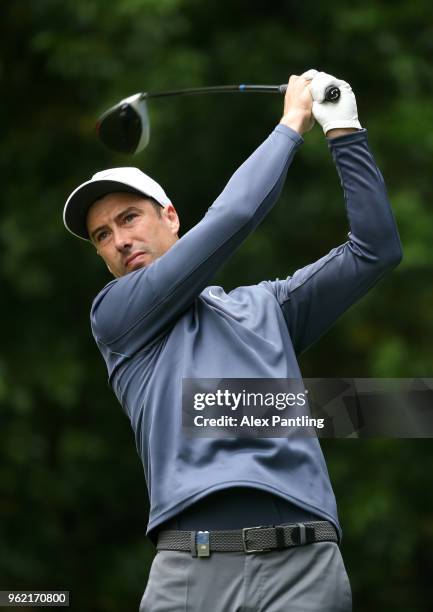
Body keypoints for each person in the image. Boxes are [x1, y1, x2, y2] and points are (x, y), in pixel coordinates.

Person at [63, 70, 402, 611]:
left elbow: (374, 250)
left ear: (171, 217)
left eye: (129, 218)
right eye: (103, 235)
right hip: (187, 578)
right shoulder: (117, 320)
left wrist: (345, 131)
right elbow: (235, 216)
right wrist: (292, 123)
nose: (120, 240)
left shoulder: (267, 307)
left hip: (303, 569)